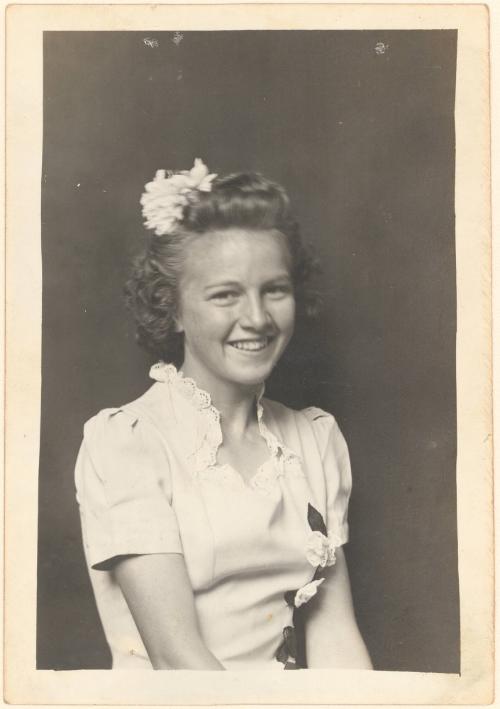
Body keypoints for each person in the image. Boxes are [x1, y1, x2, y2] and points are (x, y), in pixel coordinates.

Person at [75, 159, 372, 671]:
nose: (256, 318)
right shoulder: (129, 441)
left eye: (274, 289)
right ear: (170, 306)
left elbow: (336, 634)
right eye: (225, 295)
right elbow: (177, 659)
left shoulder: (313, 438)